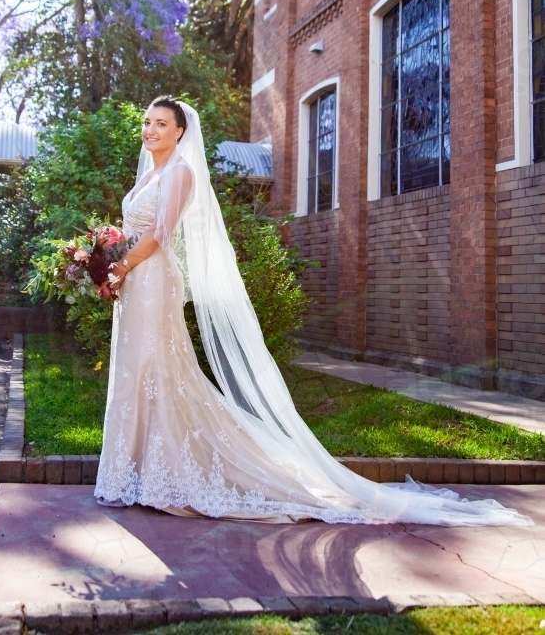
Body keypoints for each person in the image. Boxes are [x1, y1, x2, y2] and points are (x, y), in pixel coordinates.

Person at [95, 97, 531, 526]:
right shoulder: (151, 173)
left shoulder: (180, 172)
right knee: (137, 370)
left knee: (158, 368)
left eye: (160, 123)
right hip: (134, 281)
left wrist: (122, 264)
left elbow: (161, 231)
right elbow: (135, 229)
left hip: (151, 279)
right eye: (148, 122)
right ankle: (135, 472)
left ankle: (166, 475)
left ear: (180, 131)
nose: (150, 130)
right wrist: (108, 258)